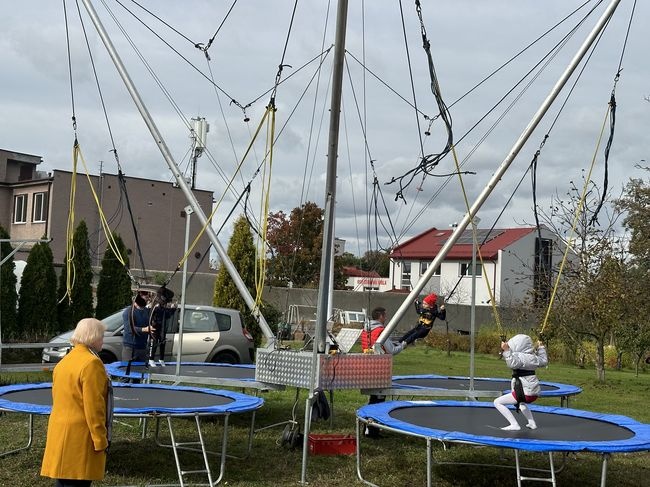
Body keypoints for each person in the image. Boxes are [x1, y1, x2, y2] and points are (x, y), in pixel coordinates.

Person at [41, 318, 113, 487]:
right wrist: (101, 440)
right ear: (94, 337)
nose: (103, 340)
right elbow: (94, 408)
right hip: (80, 436)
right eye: (102, 336)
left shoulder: (64, 362)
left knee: (63, 481)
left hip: (59, 432)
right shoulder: (92, 363)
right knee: (78, 482)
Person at [361, 306, 406, 438]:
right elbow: (391, 350)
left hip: (367, 367)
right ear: (380, 316)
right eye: (385, 316)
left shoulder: (366, 330)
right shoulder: (381, 331)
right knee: (378, 401)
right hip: (380, 369)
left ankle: (368, 428)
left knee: (373, 399)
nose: (386, 318)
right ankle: (373, 430)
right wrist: (402, 346)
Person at [493, 334, 548, 431]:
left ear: (518, 346)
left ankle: (514, 424)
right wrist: (541, 347)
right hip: (533, 393)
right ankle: (532, 423)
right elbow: (544, 361)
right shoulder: (533, 357)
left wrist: (506, 350)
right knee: (522, 404)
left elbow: (512, 363)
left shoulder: (519, 357)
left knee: (497, 402)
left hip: (523, 392)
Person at [147, 286, 176, 366]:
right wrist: (151, 325)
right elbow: (151, 316)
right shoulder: (156, 306)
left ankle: (161, 359)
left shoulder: (163, 307)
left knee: (162, 341)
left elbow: (167, 315)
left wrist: (173, 309)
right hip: (154, 327)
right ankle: (151, 359)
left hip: (162, 327)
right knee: (154, 341)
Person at [121, 293, 151, 363]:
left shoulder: (146, 311)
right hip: (130, 348)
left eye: (148, 298)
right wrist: (145, 329)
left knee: (141, 370)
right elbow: (129, 328)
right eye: (146, 297)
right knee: (128, 370)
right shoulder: (128, 312)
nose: (147, 300)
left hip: (142, 347)